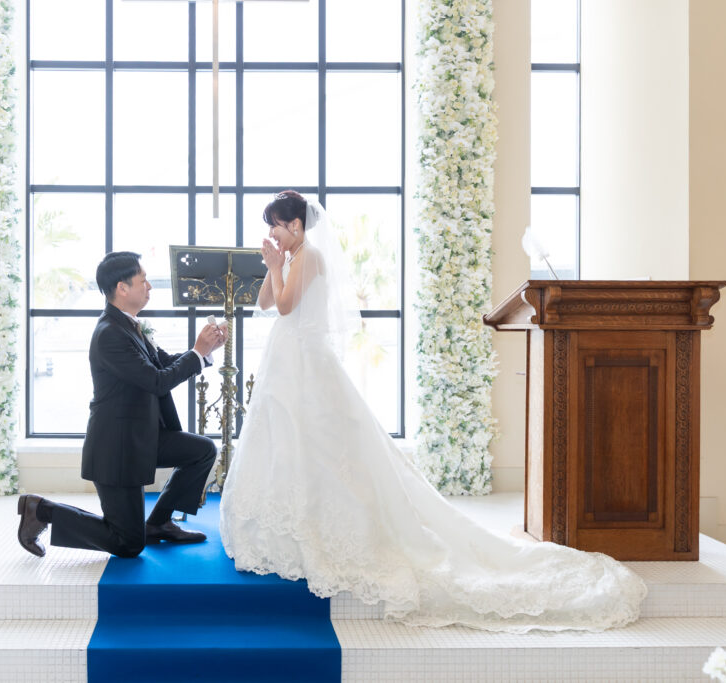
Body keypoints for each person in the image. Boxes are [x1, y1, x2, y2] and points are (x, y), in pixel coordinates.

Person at [218, 191, 648, 632]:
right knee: (288, 442)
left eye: (275, 224)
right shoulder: (291, 258)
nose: (271, 232)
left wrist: (276, 266)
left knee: (319, 443)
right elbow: (267, 302)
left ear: (295, 225)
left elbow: (286, 305)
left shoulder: (309, 256)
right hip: (288, 361)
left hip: (306, 364)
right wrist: (272, 266)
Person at [17, 251, 227, 558]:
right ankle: (41, 510)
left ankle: (159, 522)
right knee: (128, 544)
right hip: (117, 450)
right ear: (122, 288)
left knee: (202, 450)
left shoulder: (129, 324)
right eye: (143, 281)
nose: (149, 287)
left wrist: (205, 351)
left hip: (142, 437)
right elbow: (157, 381)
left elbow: (163, 364)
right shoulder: (110, 334)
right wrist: (197, 352)